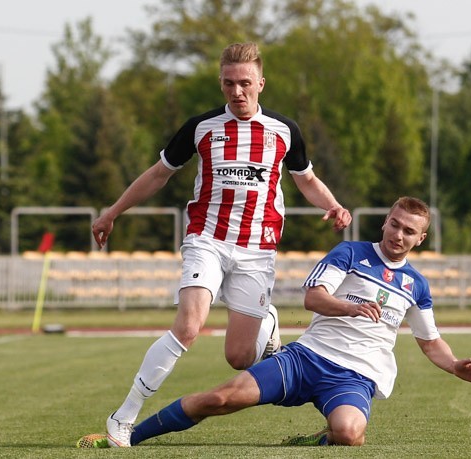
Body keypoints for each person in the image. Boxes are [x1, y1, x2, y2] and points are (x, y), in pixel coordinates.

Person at [89, 42, 352, 448]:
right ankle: (123, 416)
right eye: (229, 83)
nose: (237, 92)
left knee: (239, 358)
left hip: (257, 250)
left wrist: (333, 205)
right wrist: (112, 212)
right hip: (206, 239)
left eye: (245, 83)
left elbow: (306, 179)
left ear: (261, 83)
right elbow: (159, 174)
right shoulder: (201, 127)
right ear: (221, 83)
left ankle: (267, 323)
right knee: (189, 327)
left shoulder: (284, 130)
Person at [78, 196, 471, 448]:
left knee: (349, 434)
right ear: (386, 221)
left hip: (356, 377)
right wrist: (349, 308)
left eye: (410, 231)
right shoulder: (349, 255)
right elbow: (313, 298)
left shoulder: (416, 285)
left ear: (421, 239)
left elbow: (429, 341)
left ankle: (321, 437)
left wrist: (455, 365)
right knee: (218, 399)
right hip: (307, 358)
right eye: (395, 224)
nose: (399, 235)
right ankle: (128, 437)